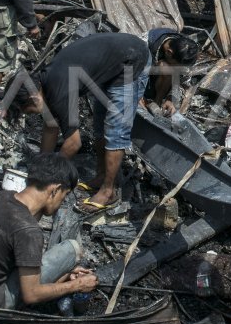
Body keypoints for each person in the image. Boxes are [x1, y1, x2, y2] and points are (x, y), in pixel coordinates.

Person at [30, 31, 198, 212]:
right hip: (123, 65)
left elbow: (177, 75)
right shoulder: (148, 39)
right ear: (169, 52)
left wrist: (171, 97)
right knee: (101, 123)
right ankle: (101, 176)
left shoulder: (180, 47)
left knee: (116, 130)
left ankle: (108, 191)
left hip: (130, 67)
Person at [0, 153, 98, 309]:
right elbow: (31, 295)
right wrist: (77, 285)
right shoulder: (28, 230)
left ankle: (63, 277)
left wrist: (65, 274)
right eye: (64, 196)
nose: (62, 202)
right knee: (71, 249)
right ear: (55, 190)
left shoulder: (3, 197)